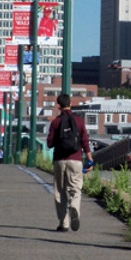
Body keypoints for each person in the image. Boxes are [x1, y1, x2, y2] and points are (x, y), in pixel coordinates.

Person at [47, 93, 93, 232]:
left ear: (58, 105)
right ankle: (74, 206)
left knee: (60, 191)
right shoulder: (78, 121)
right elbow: (84, 140)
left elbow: (49, 143)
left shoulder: (56, 122)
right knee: (75, 189)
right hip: (76, 159)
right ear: (71, 103)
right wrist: (89, 157)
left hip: (60, 161)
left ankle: (64, 223)